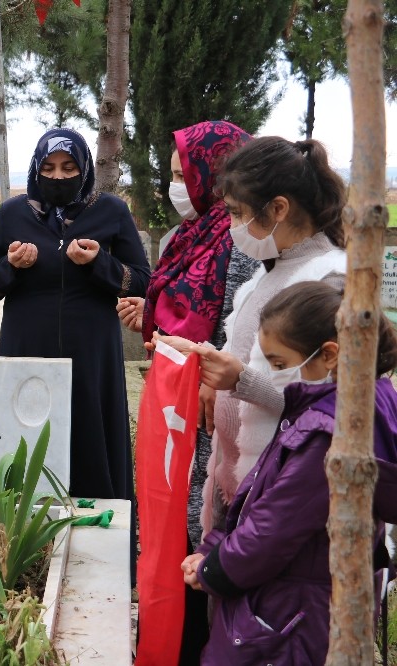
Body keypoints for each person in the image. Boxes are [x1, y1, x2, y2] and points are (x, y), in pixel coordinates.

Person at [181, 281, 397, 665]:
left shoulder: (330, 435)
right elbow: (264, 500)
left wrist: (215, 567)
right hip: (308, 603)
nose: (276, 375)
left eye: (279, 364)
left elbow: (273, 526)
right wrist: (216, 545)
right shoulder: (360, 403)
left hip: (291, 618)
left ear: (329, 354)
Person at [155, 136, 348, 539]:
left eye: (237, 213)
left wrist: (240, 380)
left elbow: (336, 405)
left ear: (278, 208)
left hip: (285, 495)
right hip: (242, 484)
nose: (231, 227)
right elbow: (245, 354)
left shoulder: (329, 282)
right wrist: (204, 356)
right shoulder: (269, 271)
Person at [117, 121, 257, 664]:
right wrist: (145, 318)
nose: (178, 186)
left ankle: (201, 640)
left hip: (214, 406)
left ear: (217, 174)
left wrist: (209, 376)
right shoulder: (184, 237)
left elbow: (240, 323)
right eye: (174, 176)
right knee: (168, 521)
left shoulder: (241, 239)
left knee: (204, 524)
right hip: (171, 398)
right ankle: (167, 634)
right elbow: (173, 314)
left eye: (185, 175)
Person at [0, 128, 150, 502]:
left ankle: (96, 529)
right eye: (49, 167)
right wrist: (10, 267)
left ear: (84, 168)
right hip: (26, 350)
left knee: (90, 435)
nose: (58, 176)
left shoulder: (110, 210)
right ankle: (22, 537)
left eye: (69, 167)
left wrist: (99, 262)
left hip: (91, 354)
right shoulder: (12, 213)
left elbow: (142, 282)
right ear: (37, 168)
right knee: (24, 438)